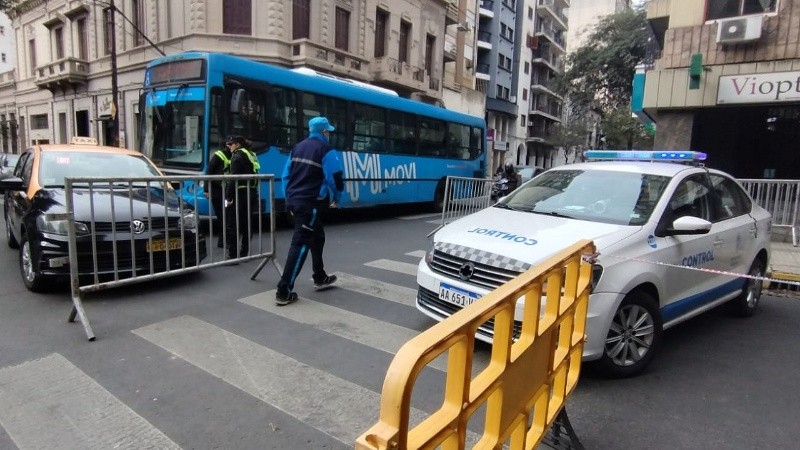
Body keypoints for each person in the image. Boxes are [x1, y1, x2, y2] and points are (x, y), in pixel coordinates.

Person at [275, 117, 345, 306]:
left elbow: (285, 176)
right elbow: (336, 178)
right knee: (300, 245)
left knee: (318, 236)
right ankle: (283, 290)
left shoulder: (297, 148)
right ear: (324, 132)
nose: (329, 134)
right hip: (310, 203)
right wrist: (337, 199)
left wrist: (289, 199)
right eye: (328, 131)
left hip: (295, 201)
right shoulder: (326, 150)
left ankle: (319, 276)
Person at [223, 135, 259, 260]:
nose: (228, 146)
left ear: (237, 144)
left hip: (240, 194)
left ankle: (232, 255)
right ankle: (244, 251)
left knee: (232, 223)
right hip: (252, 192)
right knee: (246, 223)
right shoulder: (251, 154)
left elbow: (232, 179)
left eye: (230, 144)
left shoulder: (237, 156)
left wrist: (228, 198)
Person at [203, 142, 232, 248]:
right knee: (223, 216)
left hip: (226, 191)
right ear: (227, 145)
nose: (231, 146)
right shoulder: (218, 155)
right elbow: (208, 172)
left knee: (225, 216)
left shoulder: (233, 155)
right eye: (230, 144)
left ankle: (222, 241)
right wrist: (206, 190)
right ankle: (223, 241)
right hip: (217, 192)